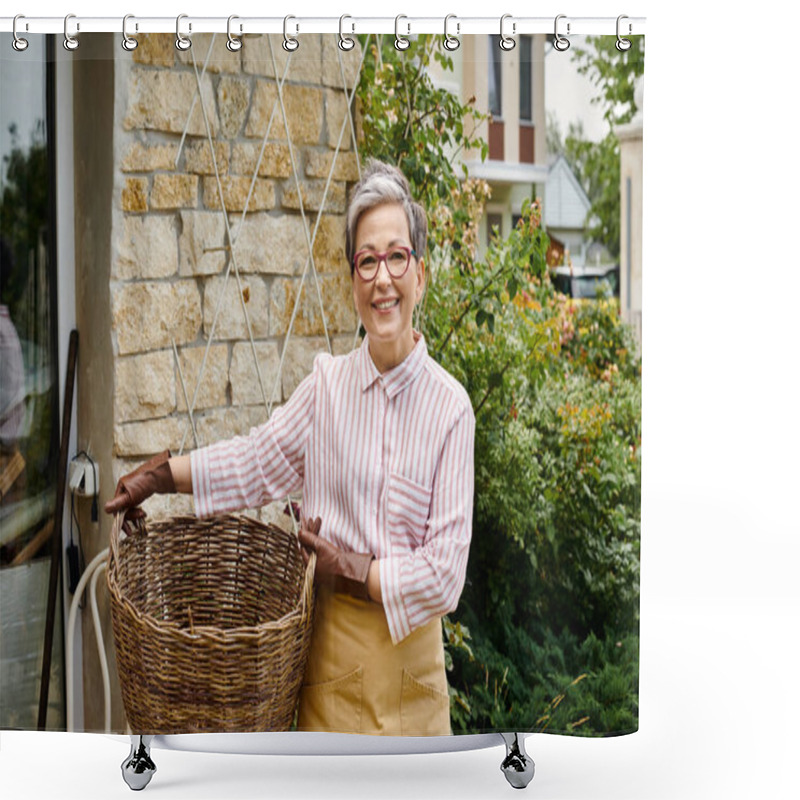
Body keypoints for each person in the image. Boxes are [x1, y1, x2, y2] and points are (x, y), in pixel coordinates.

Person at [106, 160, 476, 736]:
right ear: (353, 280)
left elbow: (445, 575)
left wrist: (353, 569)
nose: (383, 278)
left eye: (396, 257)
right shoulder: (327, 389)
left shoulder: (451, 410)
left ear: (420, 274)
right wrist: (162, 475)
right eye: (367, 261)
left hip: (414, 691)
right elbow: (255, 462)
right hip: (329, 676)